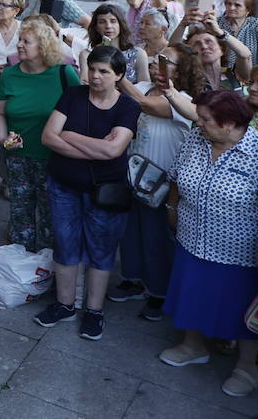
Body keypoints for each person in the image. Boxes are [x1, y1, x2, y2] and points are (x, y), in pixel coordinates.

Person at [161, 90, 258, 397]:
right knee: (193, 293)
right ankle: (192, 346)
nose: (199, 123)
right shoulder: (195, 139)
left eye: (205, 119)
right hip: (192, 237)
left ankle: (247, 366)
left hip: (239, 250)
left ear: (229, 124)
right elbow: (176, 176)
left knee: (241, 307)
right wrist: (172, 208)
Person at [33, 46, 141, 340]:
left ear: (118, 75)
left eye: (104, 71)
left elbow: (114, 149)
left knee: (101, 250)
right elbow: (48, 137)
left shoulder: (128, 107)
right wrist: (95, 149)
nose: (95, 76)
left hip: (105, 191)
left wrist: (69, 136)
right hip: (63, 185)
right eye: (93, 69)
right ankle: (65, 305)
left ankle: (94, 311)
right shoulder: (73, 95)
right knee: (65, 243)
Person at [111, 45, 200, 321]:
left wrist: (117, 72)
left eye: (166, 62)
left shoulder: (184, 99)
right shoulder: (145, 85)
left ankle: (159, 291)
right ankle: (133, 278)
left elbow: (145, 104)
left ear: (181, 69)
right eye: (155, 60)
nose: (155, 65)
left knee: (156, 236)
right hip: (133, 171)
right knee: (130, 229)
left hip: (162, 178)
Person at [0, 18, 80, 252]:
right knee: (20, 213)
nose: (19, 45)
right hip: (17, 157)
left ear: (42, 46)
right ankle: (22, 265)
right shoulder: (10, 76)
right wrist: (2, 139)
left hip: (54, 158)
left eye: (26, 41)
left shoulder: (64, 74)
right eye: (20, 40)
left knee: (51, 215)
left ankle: (49, 265)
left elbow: (79, 114)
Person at [78, 4, 148, 83]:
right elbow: (84, 84)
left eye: (113, 21)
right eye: (102, 22)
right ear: (96, 27)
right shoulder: (87, 54)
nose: (108, 26)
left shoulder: (138, 54)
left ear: (120, 25)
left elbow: (145, 88)